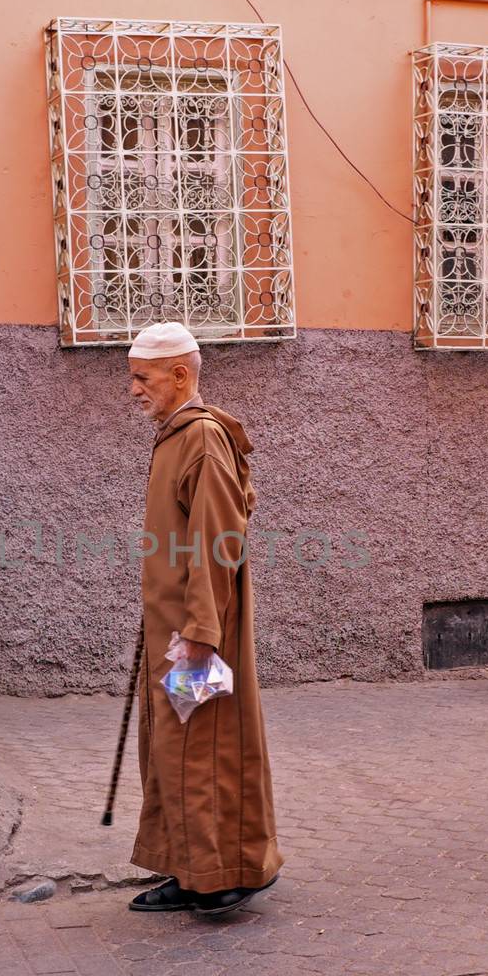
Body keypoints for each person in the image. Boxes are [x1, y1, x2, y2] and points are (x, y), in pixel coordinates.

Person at [127, 321, 283, 919]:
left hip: (197, 636)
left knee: (201, 750)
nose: (134, 391)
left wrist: (200, 637)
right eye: (133, 378)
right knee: (173, 748)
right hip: (174, 629)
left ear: (179, 375)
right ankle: (190, 870)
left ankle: (219, 876)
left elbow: (219, 543)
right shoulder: (175, 436)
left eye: (142, 379)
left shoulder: (202, 439)